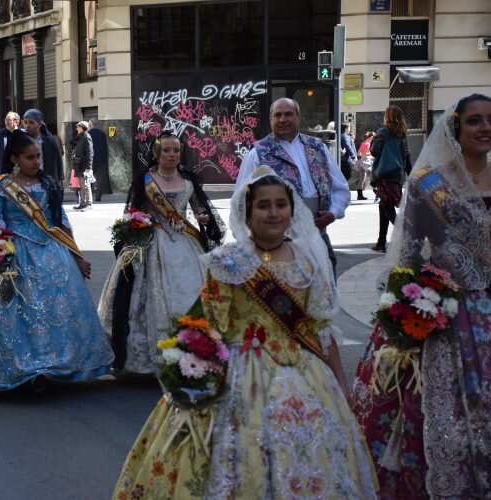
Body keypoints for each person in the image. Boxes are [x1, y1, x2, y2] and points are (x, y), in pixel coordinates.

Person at [113, 167, 378, 499]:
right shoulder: (228, 262)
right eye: (263, 205)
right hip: (236, 376)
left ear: (292, 211)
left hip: (304, 377)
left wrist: (342, 385)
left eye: (281, 205)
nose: (273, 212)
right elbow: (207, 326)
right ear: (247, 212)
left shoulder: (309, 261)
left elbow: (321, 330)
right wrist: (191, 381)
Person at [352, 94, 491, 498]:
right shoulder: (430, 183)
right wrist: (405, 312)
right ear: (456, 129)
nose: (484, 128)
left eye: (490, 120)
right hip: (448, 313)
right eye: (474, 121)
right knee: (437, 416)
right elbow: (407, 255)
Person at [0, 130, 113, 393]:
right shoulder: (2, 186)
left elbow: (60, 222)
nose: (36, 162)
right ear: (15, 158)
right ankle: (25, 369)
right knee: (20, 314)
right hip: (14, 255)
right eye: (30, 157)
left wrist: (77, 257)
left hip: (52, 254)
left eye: (38, 156)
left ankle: (59, 364)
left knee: (58, 311)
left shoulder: (48, 184)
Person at [98, 132, 225, 373]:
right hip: (152, 241)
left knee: (191, 294)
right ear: (157, 153)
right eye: (166, 150)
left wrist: (204, 218)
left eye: (176, 150)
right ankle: (146, 359)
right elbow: (133, 212)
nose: (172, 155)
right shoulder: (145, 180)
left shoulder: (189, 180)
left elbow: (200, 209)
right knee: (142, 296)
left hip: (186, 243)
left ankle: (192, 352)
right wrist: (137, 226)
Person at [236, 97, 350, 275]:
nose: (282, 120)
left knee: (325, 289)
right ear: (271, 119)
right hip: (276, 243)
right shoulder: (258, 153)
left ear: (298, 117)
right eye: (277, 115)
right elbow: (241, 201)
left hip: (317, 237)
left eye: (288, 114)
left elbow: (340, 188)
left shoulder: (318, 147)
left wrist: (333, 213)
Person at [369, 105, 412, 253]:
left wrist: (374, 139)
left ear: (388, 117)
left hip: (384, 175)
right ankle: (381, 242)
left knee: (387, 208)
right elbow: (407, 155)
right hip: (397, 176)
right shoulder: (402, 134)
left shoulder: (383, 132)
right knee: (384, 207)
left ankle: (407, 237)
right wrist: (409, 174)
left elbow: (374, 151)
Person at [21, 108, 63, 182]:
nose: (27, 126)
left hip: (47, 182)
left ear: (39, 124)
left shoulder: (50, 141)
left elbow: (58, 163)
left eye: (31, 122)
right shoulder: (20, 141)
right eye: (25, 122)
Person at [71, 121, 94, 211]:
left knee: (85, 184)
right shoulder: (81, 137)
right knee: (81, 184)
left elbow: (90, 152)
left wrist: (89, 166)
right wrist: (78, 135)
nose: (76, 128)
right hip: (78, 163)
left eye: (78, 127)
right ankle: (83, 202)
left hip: (84, 164)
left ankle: (89, 203)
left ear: (82, 127)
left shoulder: (86, 137)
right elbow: (72, 142)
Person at [88, 118, 111, 201]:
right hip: (101, 159)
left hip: (91, 159)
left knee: (88, 178)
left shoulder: (88, 133)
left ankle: (89, 196)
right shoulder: (102, 134)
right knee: (99, 178)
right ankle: (98, 196)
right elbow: (105, 147)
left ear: (90, 125)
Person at [355, 131, 375, 200]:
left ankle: (359, 195)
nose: (373, 139)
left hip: (362, 163)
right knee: (372, 178)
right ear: (370, 137)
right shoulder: (368, 144)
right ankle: (377, 192)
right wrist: (372, 154)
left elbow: (358, 154)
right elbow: (366, 153)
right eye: (373, 138)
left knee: (362, 179)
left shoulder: (363, 143)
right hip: (367, 163)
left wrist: (363, 155)